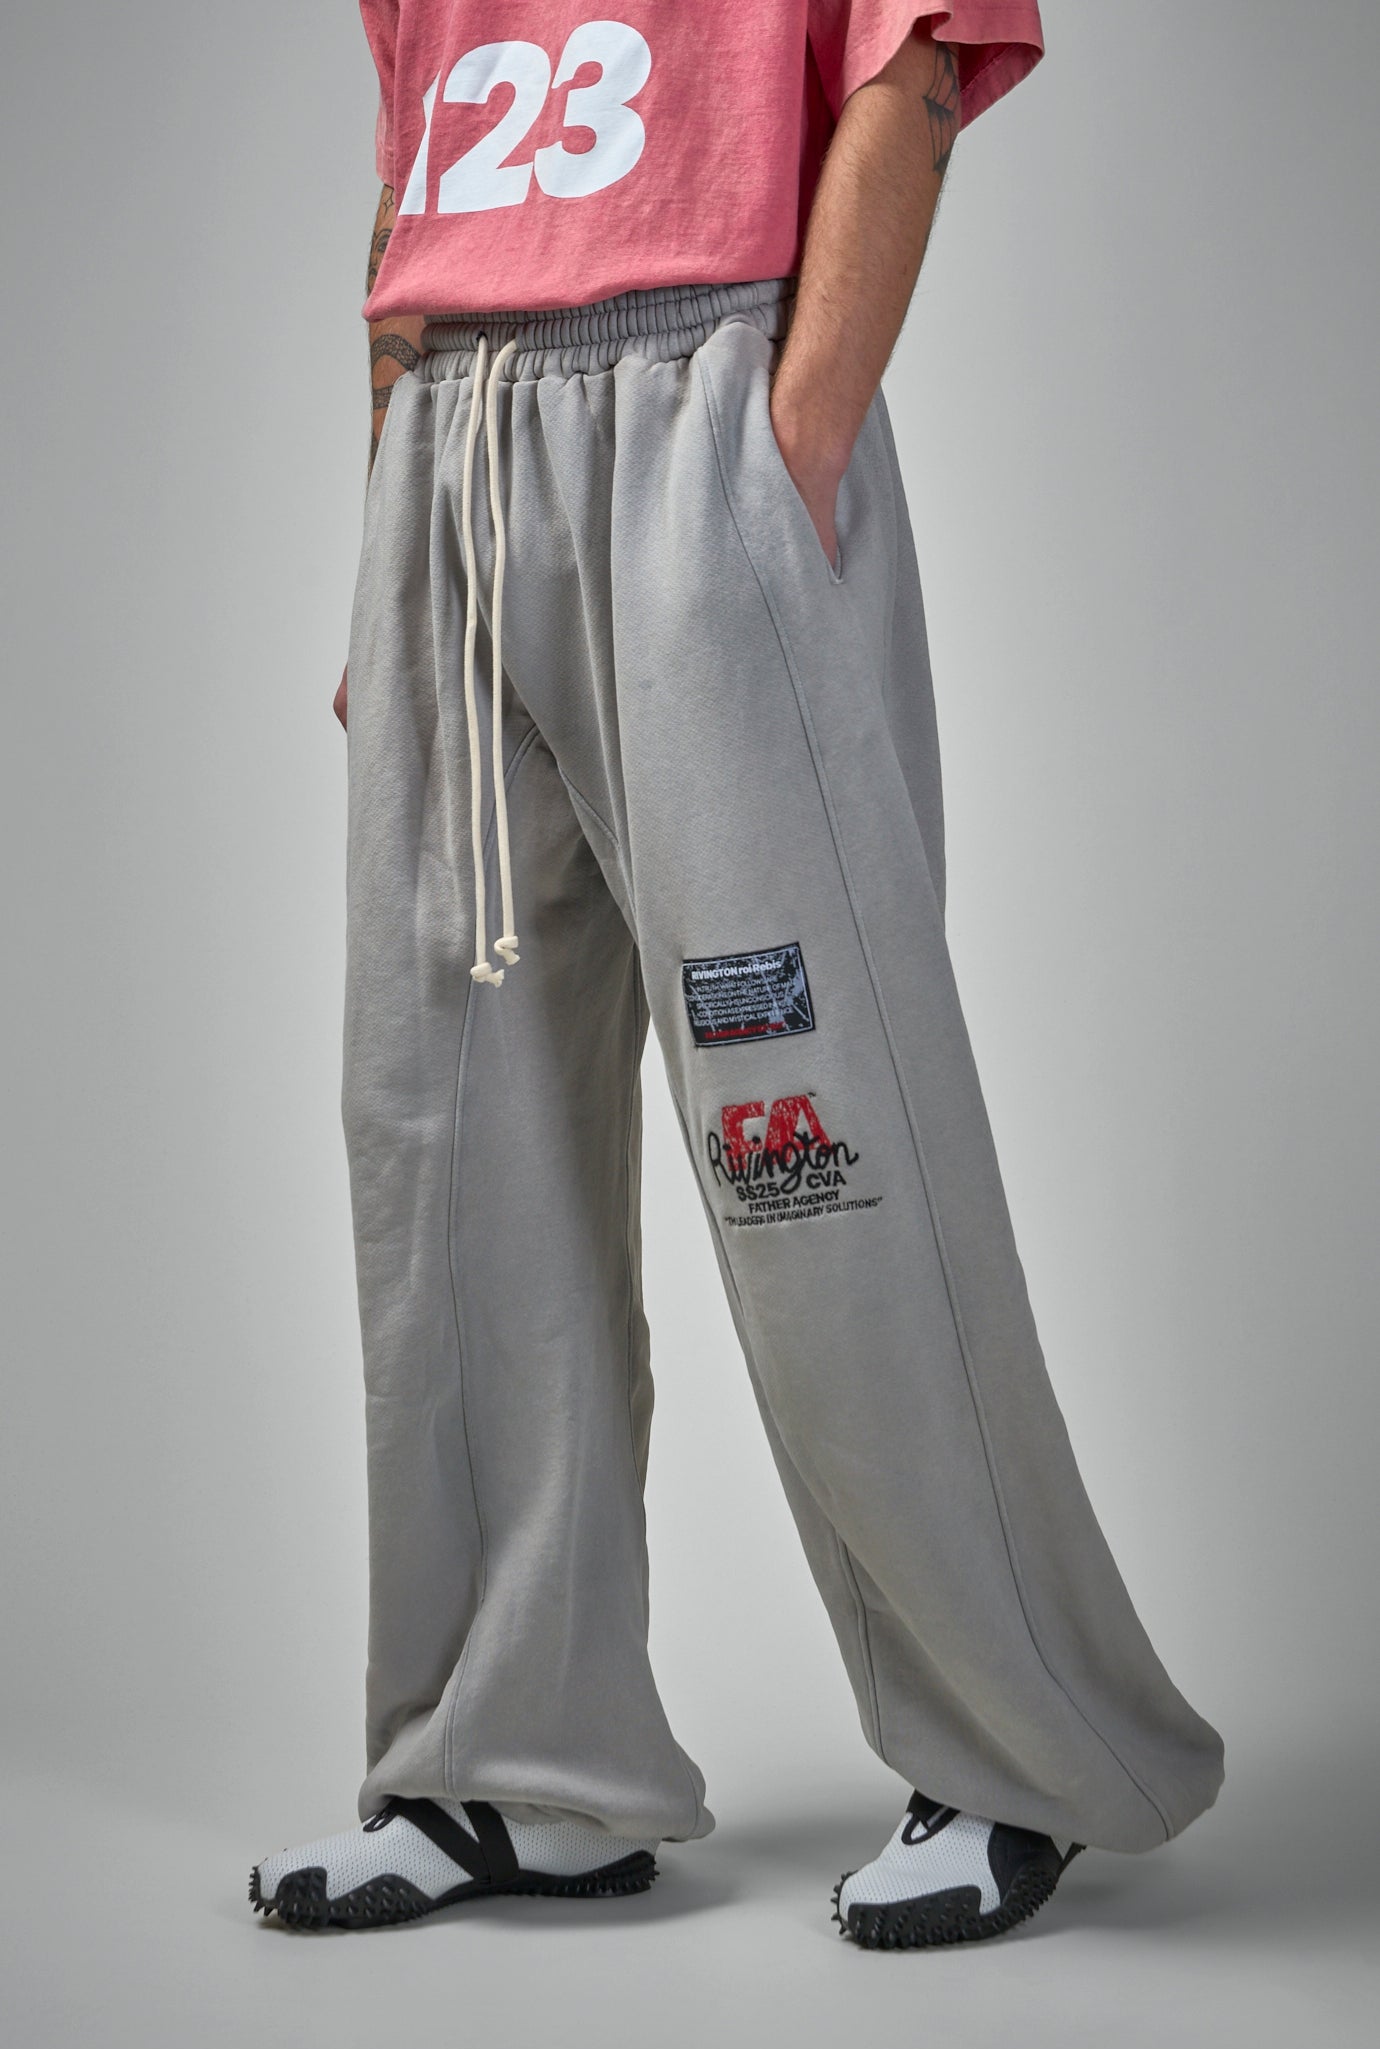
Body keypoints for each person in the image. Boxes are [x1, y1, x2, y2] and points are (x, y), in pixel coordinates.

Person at [251, 0, 1223, 1949]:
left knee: (818, 1144)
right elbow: (414, 165)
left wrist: (789, 456)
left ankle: (1014, 1753)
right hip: (450, 453)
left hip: (702, 405)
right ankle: (507, 1766)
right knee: (451, 1154)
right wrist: (389, 519)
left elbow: (917, 61)